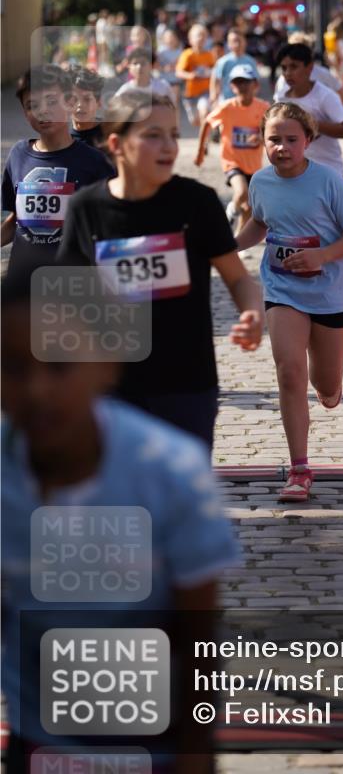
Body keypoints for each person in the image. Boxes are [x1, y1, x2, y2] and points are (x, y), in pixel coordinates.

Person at [1, 259, 240, 772]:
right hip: (36, 743)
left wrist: (196, 753)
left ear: (107, 365)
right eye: (15, 368)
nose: (37, 389)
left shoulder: (171, 471)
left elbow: (199, 638)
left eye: (59, 366)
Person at [57, 94, 263, 445]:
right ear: (117, 144)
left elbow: (238, 277)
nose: (169, 146)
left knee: (178, 498)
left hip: (187, 386)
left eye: (173, 134)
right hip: (110, 391)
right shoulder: (86, 208)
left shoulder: (197, 202)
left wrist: (253, 313)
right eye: (153, 135)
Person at [236, 102, 343, 503]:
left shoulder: (328, 182)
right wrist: (225, 248)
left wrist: (322, 256)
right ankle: (299, 468)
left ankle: (329, 387)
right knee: (289, 372)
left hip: (329, 294)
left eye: (292, 140)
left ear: (308, 141)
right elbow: (259, 223)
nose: (282, 147)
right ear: (263, 141)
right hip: (282, 290)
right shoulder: (260, 182)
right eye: (274, 139)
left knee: (323, 385)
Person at [1, 65, 114, 271]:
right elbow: (17, 219)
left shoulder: (96, 162)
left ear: (70, 102)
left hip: (71, 283)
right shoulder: (17, 155)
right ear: (25, 113)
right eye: (32, 105)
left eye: (52, 101)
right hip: (22, 280)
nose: (42, 110)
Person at [195, 64, 269, 236]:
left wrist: (261, 138)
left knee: (249, 207)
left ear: (255, 85)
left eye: (246, 82)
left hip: (254, 165)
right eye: (238, 82)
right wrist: (200, 152)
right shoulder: (227, 107)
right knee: (241, 192)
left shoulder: (263, 108)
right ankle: (232, 210)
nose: (242, 86)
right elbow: (207, 122)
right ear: (231, 87)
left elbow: (272, 130)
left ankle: (238, 241)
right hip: (232, 161)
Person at [275, 42, 343, 178]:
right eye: (284, 68)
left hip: (329, 172)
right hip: (296, 173)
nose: (288, 73)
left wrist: (311, 124)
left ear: (309, 68)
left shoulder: (325, 96)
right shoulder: (282, 97)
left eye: (294, 67)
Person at [176, 23, 216, 128]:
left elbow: (215, 71)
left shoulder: (209, 55)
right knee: (194, 121)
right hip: (190, 94)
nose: (200, 39)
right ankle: (202, 132)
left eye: (203, 36)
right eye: (197, 36)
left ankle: (203, 142)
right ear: (190, 40)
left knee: (204, 113)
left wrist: (211, 73)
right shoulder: (187, 55)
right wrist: (191, 76)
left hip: (205, 92)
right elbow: (179, 72)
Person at [209, 28, 259, 104]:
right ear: (228, 44)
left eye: (239, 40)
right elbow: (216, 80)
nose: (237, 44)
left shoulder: (251, 61)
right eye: (233, 41)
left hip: (246, 102)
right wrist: (214, 96)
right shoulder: (223, 62)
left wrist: (252, 96)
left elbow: (256, 82)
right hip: (227, 101)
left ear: (244, 42)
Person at [70, 66, 107, 152]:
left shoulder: (110, 134)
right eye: (74, 99)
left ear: (98, 102)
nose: (80, 105)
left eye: (87, 99)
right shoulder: (61, 139)